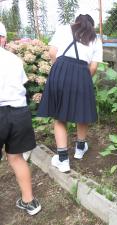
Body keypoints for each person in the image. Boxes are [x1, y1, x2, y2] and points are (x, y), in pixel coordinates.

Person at [37, 13, 103, 173]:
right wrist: (82, 79)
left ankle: (63, 159)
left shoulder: (63, 29)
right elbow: (93, 67)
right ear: (91, 26)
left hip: (60, 69)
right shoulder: (96, 39)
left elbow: (52, 52)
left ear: (76, 22)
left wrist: (60, 68)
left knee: (60, 116)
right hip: (82, 72)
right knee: (82, 112)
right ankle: (80, 149)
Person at [0, 21, 41, 215]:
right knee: (16, 158)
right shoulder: (14, 59)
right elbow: (23, 81)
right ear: (4, 39)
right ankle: (30, 202)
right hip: (19, 112)